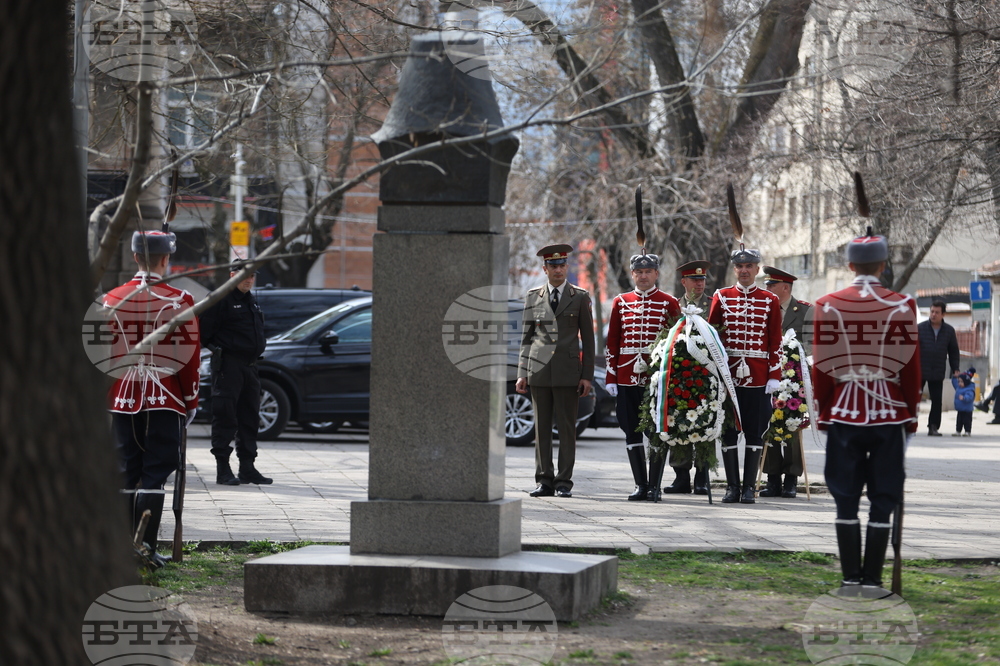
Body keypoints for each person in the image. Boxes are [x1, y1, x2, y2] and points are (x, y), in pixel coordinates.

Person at [812, 231, 920, 591]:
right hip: (891, 412)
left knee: (845, 496)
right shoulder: (903, 305)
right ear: (884, 264)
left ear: (849, 265)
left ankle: (849, 577)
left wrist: (825, 411)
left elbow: (823, 367)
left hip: (844, 410)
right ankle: (872, 578)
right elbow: (911, 366)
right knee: (883, 495)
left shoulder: (827, 304)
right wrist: (911, 413)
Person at [104, 230, 201, 568]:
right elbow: (188, 359)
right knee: (155, 473)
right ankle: (143, 547)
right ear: (166, 259)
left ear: (134, 257)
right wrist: (190, 401)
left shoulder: (111, 298)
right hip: (165, 397)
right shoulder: (180, 300)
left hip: (122, 398)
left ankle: (120, 547)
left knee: (125, 471)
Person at [516, 244, 595, 499]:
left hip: (568, 372)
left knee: (566, 429)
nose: (558, 270)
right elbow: (526, 338)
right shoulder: (533, 296)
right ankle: (544, 480)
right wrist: (522, 372)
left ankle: (563, 482)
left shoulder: (580, 297)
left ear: (567, 267)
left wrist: (586, 376)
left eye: (562, 265)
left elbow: (589, 340)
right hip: (539, 371)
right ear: (545, 269)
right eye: (553, 266)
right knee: (541, 430)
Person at [708, 248, 783, 504]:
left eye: (749, 265)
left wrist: (775, 374)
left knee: (755, 432)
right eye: (740, 266)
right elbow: (713, 338)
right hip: (728, 377)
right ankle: (732, 487)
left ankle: (749, 487)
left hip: (759, 375)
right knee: (729, 432)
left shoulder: (769, 299)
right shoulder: (722, 296)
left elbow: (775, 340)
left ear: (757, 268)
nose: (744, 270)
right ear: (734, 268)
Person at [605, 254, 680, 501]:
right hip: (627, 376)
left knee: (658, 431)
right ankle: (640, 484)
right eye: (640, 272)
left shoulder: (669, 302)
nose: (644, 275)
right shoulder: (621, 302)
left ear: (657, 274)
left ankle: (655, 486)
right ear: (633, 273)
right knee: (631, 430)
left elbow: (676, 343)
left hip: (657, 377)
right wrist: (611, 377)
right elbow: (612, 342)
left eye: (649, 271)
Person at [199, 260, 272, 485]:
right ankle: (223, 470)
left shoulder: (251, 301)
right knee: (225, 417)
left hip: (250, 367)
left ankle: (247, 467)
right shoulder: (220, 299)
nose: (249, 280)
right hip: (228, 367)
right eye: (245, 276)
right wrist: (218, 351)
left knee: (249, 417)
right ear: (232, 275)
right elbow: (204, 334)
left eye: (252, 276)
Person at [759, 266, 812, 499]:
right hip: (766, 379)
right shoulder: (762, 309)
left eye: (771, 286)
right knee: (767, 427)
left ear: (785, 287)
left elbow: (813, 348)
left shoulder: (805, 312)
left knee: (791, 428)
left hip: (794, 381)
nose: (767, 289)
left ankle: (791, 478)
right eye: (766, 285)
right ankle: (772, 479)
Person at [663, 260, 712, 495]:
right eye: (694, 280)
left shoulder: (714, 305)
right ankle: (681, 476)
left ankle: (702, 477)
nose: (699, 284)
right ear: (684, 282)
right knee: (679, 423)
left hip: (707, 376)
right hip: (680, 375)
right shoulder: (674, 306)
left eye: (702, 280)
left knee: (706, 423)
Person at [917, 300, 960, 436]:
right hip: (919, 370)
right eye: (932, 311)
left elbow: (953, 351)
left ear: (943, 314)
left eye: (937, 312)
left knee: (937, 400)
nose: (933, 315)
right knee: (914, 399)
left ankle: (933, 426)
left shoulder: (948, 331)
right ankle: (910, 425)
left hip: (937, 370)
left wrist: (955, 369)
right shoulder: (920, 328)